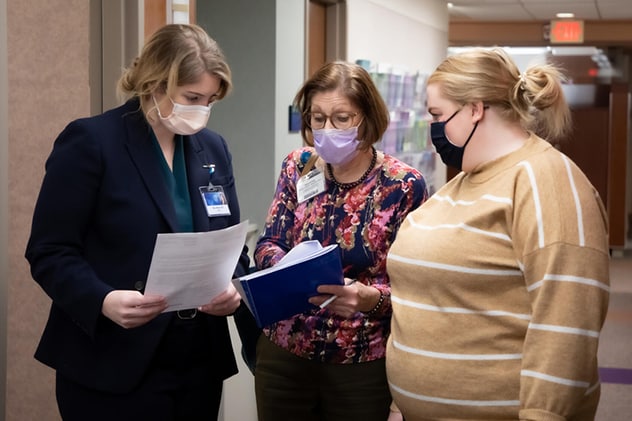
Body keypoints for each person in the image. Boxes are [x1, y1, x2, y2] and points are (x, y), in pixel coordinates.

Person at [24, 24, 250, 420]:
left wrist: (233, 287)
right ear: (155, 83)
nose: (201, 110)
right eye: (192, 97)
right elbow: (49, 251)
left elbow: (232, 246)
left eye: (211, 100)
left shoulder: (212, 148)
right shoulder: (92, 142)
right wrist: (103, 300)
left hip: (197, 360)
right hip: (113, 360)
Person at [386, 48, 610, 421]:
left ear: (475, 109)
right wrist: (401, 404)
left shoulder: (545, 180)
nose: (434, 131)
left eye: (438, 115)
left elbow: (566, 321)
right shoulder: (464, 184)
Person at [253, 61, 428, 421]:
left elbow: (415, 290)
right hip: (285, 354)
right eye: (318, 119)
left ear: (367, 119)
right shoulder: (297, 166)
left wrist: (368, 299)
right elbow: (269, 240)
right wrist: (284, 268)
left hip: (361, 364)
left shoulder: (402, 185)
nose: (327, 129)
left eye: (341, 118)